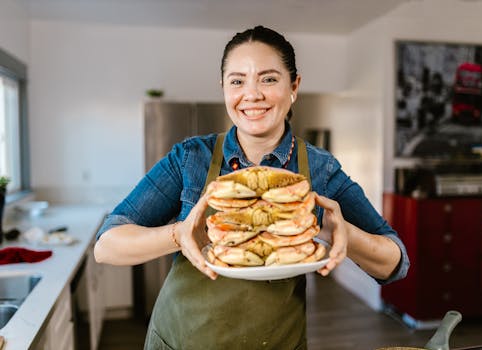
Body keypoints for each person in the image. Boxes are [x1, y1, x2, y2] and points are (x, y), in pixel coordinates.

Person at [94, 25, 409, 350]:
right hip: (181, 341)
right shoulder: (191, 158)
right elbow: (106, 246)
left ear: (294, 86)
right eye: (237, 81)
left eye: (269, 78)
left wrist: (342, 233)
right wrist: (178, 234)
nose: (252, 94)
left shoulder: (320, 169)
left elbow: (395, 263)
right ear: (224, 89)